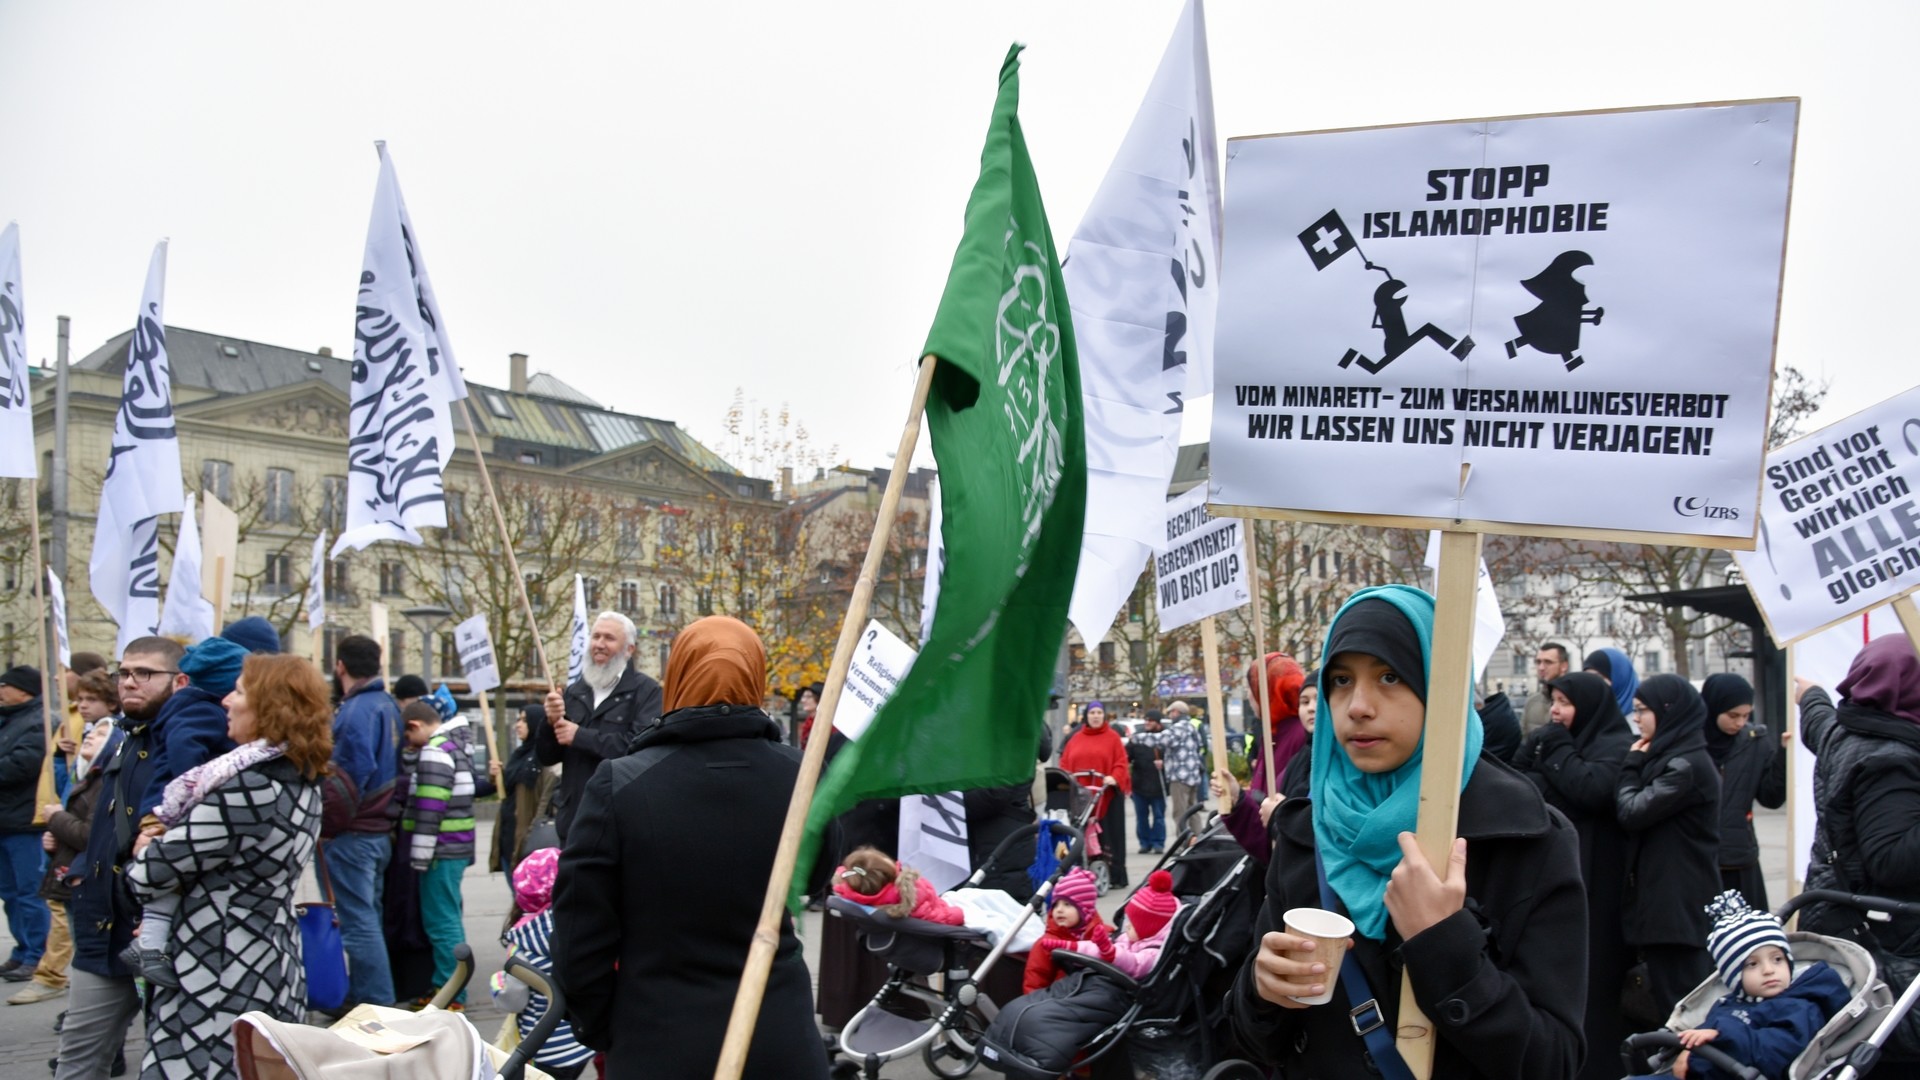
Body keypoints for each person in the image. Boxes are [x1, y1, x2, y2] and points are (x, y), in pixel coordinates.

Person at [1228, 585, 1588, 1078]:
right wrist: (1261, 989)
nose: (1357, 706)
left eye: (1390, 676)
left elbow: (1554, 1061)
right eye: (1340, 680)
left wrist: (1444, 944)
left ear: (1438, 687)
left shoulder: (1527, 838)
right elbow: (1260, 1043)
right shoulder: (1307, 827)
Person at [552, 616, 828, 1079]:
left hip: (657, 1037)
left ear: (677, 677)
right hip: (780, 1037)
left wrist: (599, 1026)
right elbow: (816, 875)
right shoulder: (801, 778)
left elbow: (580, 929)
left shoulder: (621, 784)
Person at [126, 653, 329, 1079]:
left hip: (218, 969)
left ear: (270, 705)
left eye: (238, 691)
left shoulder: (252, 786)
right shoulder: (299, 777)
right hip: (265, 955)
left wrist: (147, 848)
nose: (225, 701)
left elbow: (152, 871)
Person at [54, 637, 184, 1079]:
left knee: (170, 1061)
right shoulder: (122, 737)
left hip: (160, 933)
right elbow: (106, 822)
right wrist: (81, 870)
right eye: (124, 672)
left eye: (144, 673)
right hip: (101, 927)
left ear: (178, 681)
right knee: (77, 1059)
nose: (130, 682)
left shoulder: (189, 745)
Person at [1797, 634, 1920, 1060]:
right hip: (1890, 942)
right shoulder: (1891, 758)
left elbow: (1818, 721)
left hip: (1842, 922)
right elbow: (1890, 858)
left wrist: (1809, 695)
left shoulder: (1844, 729)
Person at [1513, 670, 1635, 1080]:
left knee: (1596, 984)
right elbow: (1519, 780)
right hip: (1556, 875)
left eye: (1565, 703)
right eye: (1554, 703)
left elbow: (1594, 789)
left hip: (1602, 885)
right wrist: (1561, 773)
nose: (1556, 712)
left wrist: (1559, 756)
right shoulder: (1547, 738)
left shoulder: (1615, 745)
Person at [1628, 891, 1849, 1080]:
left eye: (1777, 959)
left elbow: (1775, 1051)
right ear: (1733, 976)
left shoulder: (1799, 1007)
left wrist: (1720, 1034)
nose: (1769, 970)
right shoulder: (1728, 1003)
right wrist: (1689, 1049)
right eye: (1752, 964)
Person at [1617, 674, 1723, 1028]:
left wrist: (1631, 766)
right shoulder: (1673, 756)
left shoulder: (1685, 765)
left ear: (1669, 713)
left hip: (1677, 907)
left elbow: (1632, 811)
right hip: (1668, 904)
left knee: (1680, 1012)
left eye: (1643, 710)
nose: (1636, 719)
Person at [12, 677, 120, 1006]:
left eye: (102, 732)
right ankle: (77, 1000)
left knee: (86, 945)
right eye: (80, 699)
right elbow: (68, 791)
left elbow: (89, 830)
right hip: (66, 860)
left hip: (86, 872)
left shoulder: (106, 778)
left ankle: (67, 990)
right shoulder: (84, 764)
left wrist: (58, 820)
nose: (83, 707)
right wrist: (61, 758)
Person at [319, 634, 401, 1009]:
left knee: (358, 922)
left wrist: (328, 825)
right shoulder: (385, 704)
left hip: (355, 833)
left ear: (340, 667)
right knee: (369, 917)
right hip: (378, 830)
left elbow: (348, 779)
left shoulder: (356, 711)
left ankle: (375, 1003)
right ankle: (370, 994)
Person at [538, 611, 663, 844]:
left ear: (629, 649)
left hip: (620, 823)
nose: (599, 644)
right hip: (573, 823)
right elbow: (547, 756)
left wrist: (580, 736)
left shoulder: (647, 692)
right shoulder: (574, 692)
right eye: (595, 637)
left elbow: (641, 749)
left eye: (609, 638)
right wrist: (549, 722)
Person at [489, 848, 592, 1080]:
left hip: (543, 1047)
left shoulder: (521, 945)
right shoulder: (578, 926)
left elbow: (514, 1000)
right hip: (579, 1045)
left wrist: (497, 984)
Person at [398, 698, 476, 1006]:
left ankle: (451, 991)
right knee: (449, 916)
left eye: (407, 736)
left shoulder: (435, 750)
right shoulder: (453, 747)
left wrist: (419, 856)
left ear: (415, 726)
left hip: (439, 849)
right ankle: (449, 985)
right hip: (455, 845)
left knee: (441, 922)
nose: (407, 743)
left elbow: (429, 809)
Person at [1699, 673, 1785, 912]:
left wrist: (1784, 757)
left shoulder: (1754, 742)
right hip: (1698, 858)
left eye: (1745, 715)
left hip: (1739, 859)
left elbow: (1771, 797)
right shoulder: (1692, 741)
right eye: (1732, 715)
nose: (1738, 723)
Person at [1212, 653, 1308, 864]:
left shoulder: (1298, 736)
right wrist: (1238, 797)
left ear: (1268, 691)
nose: (1248, 695)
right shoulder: (1274, 732)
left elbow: (1277, 820)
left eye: (1251, 687)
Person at [0, 666, 50, 987]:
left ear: (24, 691)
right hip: (5, 820)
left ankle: (37, 955)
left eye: (5, 685)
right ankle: (21, 950)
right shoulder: (9, 719)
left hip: (25, 822)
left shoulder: (39, 722)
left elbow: (22, 765)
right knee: (9, 894)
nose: (0, 691)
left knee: (30, 893)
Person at [1057, 701, 1131, 888]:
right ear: (1086, 716)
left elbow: (1121, 762)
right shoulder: (1076, 738)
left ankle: (1114, 874)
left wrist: (1114, 777)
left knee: (1110, 835)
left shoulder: (1112, 738)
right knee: (1078, 832)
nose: (1096, 716)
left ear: (1104, 715)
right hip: (1080, 797)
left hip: (1106, 794)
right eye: (1092, 713)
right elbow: (1065, 762)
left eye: (1099, 712)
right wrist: (1067, 778)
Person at [1021, 867, 1113, 994]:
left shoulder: (1104, 935)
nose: (1059, 910)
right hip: (1059, 1001)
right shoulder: (1046, 944)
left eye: (1067, 904)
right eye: (1056, 905)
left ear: (1085, 910)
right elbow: (1035, 980)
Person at [491, 705, 554, 875]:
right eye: (518, 719)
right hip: (507, 839)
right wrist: (497, 776)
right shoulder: (519, 755)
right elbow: (509, 790)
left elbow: (545, 798)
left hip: (527, 842)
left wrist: (533, 833)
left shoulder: (545, 758)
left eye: (524, 720)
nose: (518, 724)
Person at [830, 845, 966, 924]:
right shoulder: (911, 897)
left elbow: (848, 871)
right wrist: (959, 914)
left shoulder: (851, 886)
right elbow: (940, 917)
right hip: (947, 906)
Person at [1131, 706, 1204, 836]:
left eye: (1170, 712)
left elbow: (1162, 740)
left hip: (1180, 776)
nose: (1169, 715)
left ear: (1176, 712)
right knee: (1193, 811)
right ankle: (1199, 841)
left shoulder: (1179, 727)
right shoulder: (1191, 726)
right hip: (1193, 775)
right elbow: (1200, 745)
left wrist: (1136, 738)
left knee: (1180, 813)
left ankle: (1183, 844)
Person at [1101, 869, 1181, 978]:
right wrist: (1076, 947)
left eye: (1133, 924)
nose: (1126, 926)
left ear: (1149, 930)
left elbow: (1135, 964)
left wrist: (1111, 953)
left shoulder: (1152, 952)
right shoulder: (1129, 938)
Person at [1125, 718, 1167, 853]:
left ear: (1158, 724)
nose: (1147, 723)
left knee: (1159, 817)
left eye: (1151, 720)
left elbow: (1175, 758)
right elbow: (1125, 757)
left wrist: (1164, 763)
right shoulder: (1138, 740)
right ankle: (1144, 843)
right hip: (1139, 786)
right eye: (1146, 720)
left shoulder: (1166, 739)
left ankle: (1158, 843)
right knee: (1141, 817)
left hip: (1159, 787)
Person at [1586, 646, 1641, 728]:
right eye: (1587, 678)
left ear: (1619, 678)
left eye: (1597, 678)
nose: (1590, 684)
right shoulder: (1588, 720)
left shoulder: (1641, 724)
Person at [1523, 643, 1572, 736]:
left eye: (1548, 662)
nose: (1541, 668)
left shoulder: (1575, 702)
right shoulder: (1531, 702)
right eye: (1538, 662)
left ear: (1564, 666)